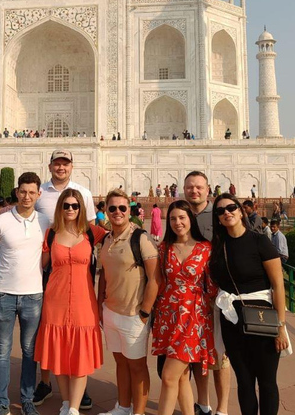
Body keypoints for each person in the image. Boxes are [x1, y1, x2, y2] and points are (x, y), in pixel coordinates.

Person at [209, 194, 290, 415]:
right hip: (232, 319)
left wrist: (280, 327)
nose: (227, 212)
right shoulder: (217, 246)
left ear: (241, 210)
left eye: (231, 207)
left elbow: (278, 285)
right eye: (220, 211)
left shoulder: (259, 240)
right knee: (244, 381)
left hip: (262, 317)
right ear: (217, 218)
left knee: (266, 381)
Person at [0, 172, 51, 415]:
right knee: (2, 349)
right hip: (4, 293)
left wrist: (38, 266)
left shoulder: (45, 221)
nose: (27, 196)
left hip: (33, 294)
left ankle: (27, 399)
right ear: (16, 192)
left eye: (32, 192)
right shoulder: (1, 221)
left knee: (29, 350)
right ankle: (1, 402)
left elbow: (53, 247)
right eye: (23, 191)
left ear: (38, 194)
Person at [33, 150, 95, 409]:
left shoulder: (85, 196)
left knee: (78, 346)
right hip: (55, 289)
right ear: (50, 166)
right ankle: (55, 391)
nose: (70, 208)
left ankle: (75, 402)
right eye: (57, 163)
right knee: (56, 344)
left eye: (65, 163)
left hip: (82, 293)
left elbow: (114, 236)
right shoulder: (40, 193)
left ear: (72, 166)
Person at [97, 189, 159, 415]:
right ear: (106, 210)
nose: (117, 212)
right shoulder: (107, 238)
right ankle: (123, 408)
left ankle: (139, 412)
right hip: (112, 311)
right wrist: (99, 305)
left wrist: (145, 312)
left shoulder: (140, 237)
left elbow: (155, 278)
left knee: (137, 366)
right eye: (112, 208)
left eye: (122, 208)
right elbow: (103, 273)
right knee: (121, 363)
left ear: (129, 210)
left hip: (134, 314)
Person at [152, 200, 217, 415]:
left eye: (182, 217)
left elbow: (213, 287)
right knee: (179, 377)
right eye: (172, 219)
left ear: (191, 219)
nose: (177, 223)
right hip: (168, 316)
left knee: (169, 376)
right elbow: (158, 282)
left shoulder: (205, 248)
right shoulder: (164, 248)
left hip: (194, 318)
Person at [182, 171, 230, 415]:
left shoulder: (220, 215)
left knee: (220, 355)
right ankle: (203, 404)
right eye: (190, 187)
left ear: (208, 189)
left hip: (218, 294)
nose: (194, 191)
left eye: (199, 187)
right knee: (197, 354)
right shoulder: (182, 215)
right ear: (183, 189)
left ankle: (222, 409)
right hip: (191, 297)